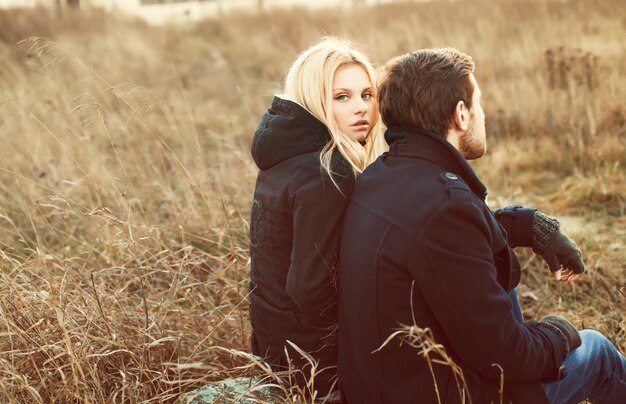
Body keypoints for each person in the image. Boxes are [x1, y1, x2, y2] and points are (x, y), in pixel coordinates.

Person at [338, 48, 626, 403]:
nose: (482, 115)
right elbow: (507, 359)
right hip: (446, 394)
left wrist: (530, 225)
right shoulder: (445, 208)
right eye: (479, 105)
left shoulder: (382, 176)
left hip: (393, 383)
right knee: (596, 351)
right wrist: (558, 334)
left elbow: (452, 245)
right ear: (461, 114)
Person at [248, 37, 385, 399]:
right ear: (314, 99)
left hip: (273, 346)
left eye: (366, 95)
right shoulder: (327, 168)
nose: (361, 109)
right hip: (315, 362)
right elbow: (310, 287)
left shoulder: (287, 154)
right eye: (342, 97)